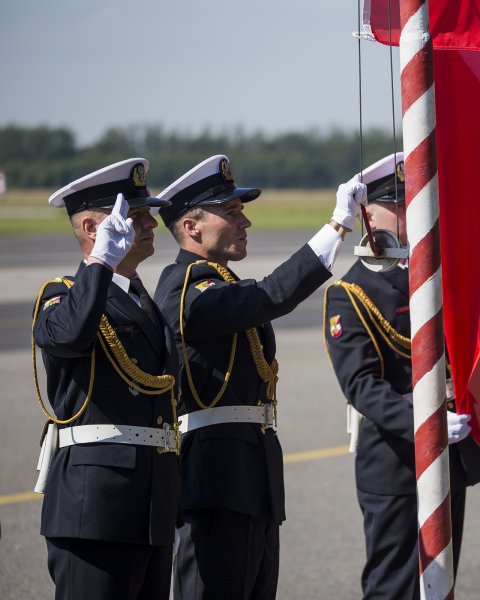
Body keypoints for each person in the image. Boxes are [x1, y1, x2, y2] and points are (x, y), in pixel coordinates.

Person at [153, 154, 364, 599]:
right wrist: (337, 227)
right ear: (191, 227)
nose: (245, 221)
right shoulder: (183, 287)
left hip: (250, 479)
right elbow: (270, 296)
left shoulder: (220, 283)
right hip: (215, 482)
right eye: (230, 212)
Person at [323, 153, 480, 599]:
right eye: (398, 202)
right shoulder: (351, 293)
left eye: (414, 199)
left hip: (451, 454)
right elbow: (362, 387)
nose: (411, 209)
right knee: (395, 586)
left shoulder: (438, 275)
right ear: (367, 213)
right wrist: (425, 423)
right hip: (396, 461)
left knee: (442, 583)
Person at [32, 158, 180, 600]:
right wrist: (98, 263)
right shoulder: (61, 297)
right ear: (94, 227)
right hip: (95, 508)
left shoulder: (140, 300)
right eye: (136, 216)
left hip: (150, 507)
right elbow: (71, 335)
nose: (151, 222)